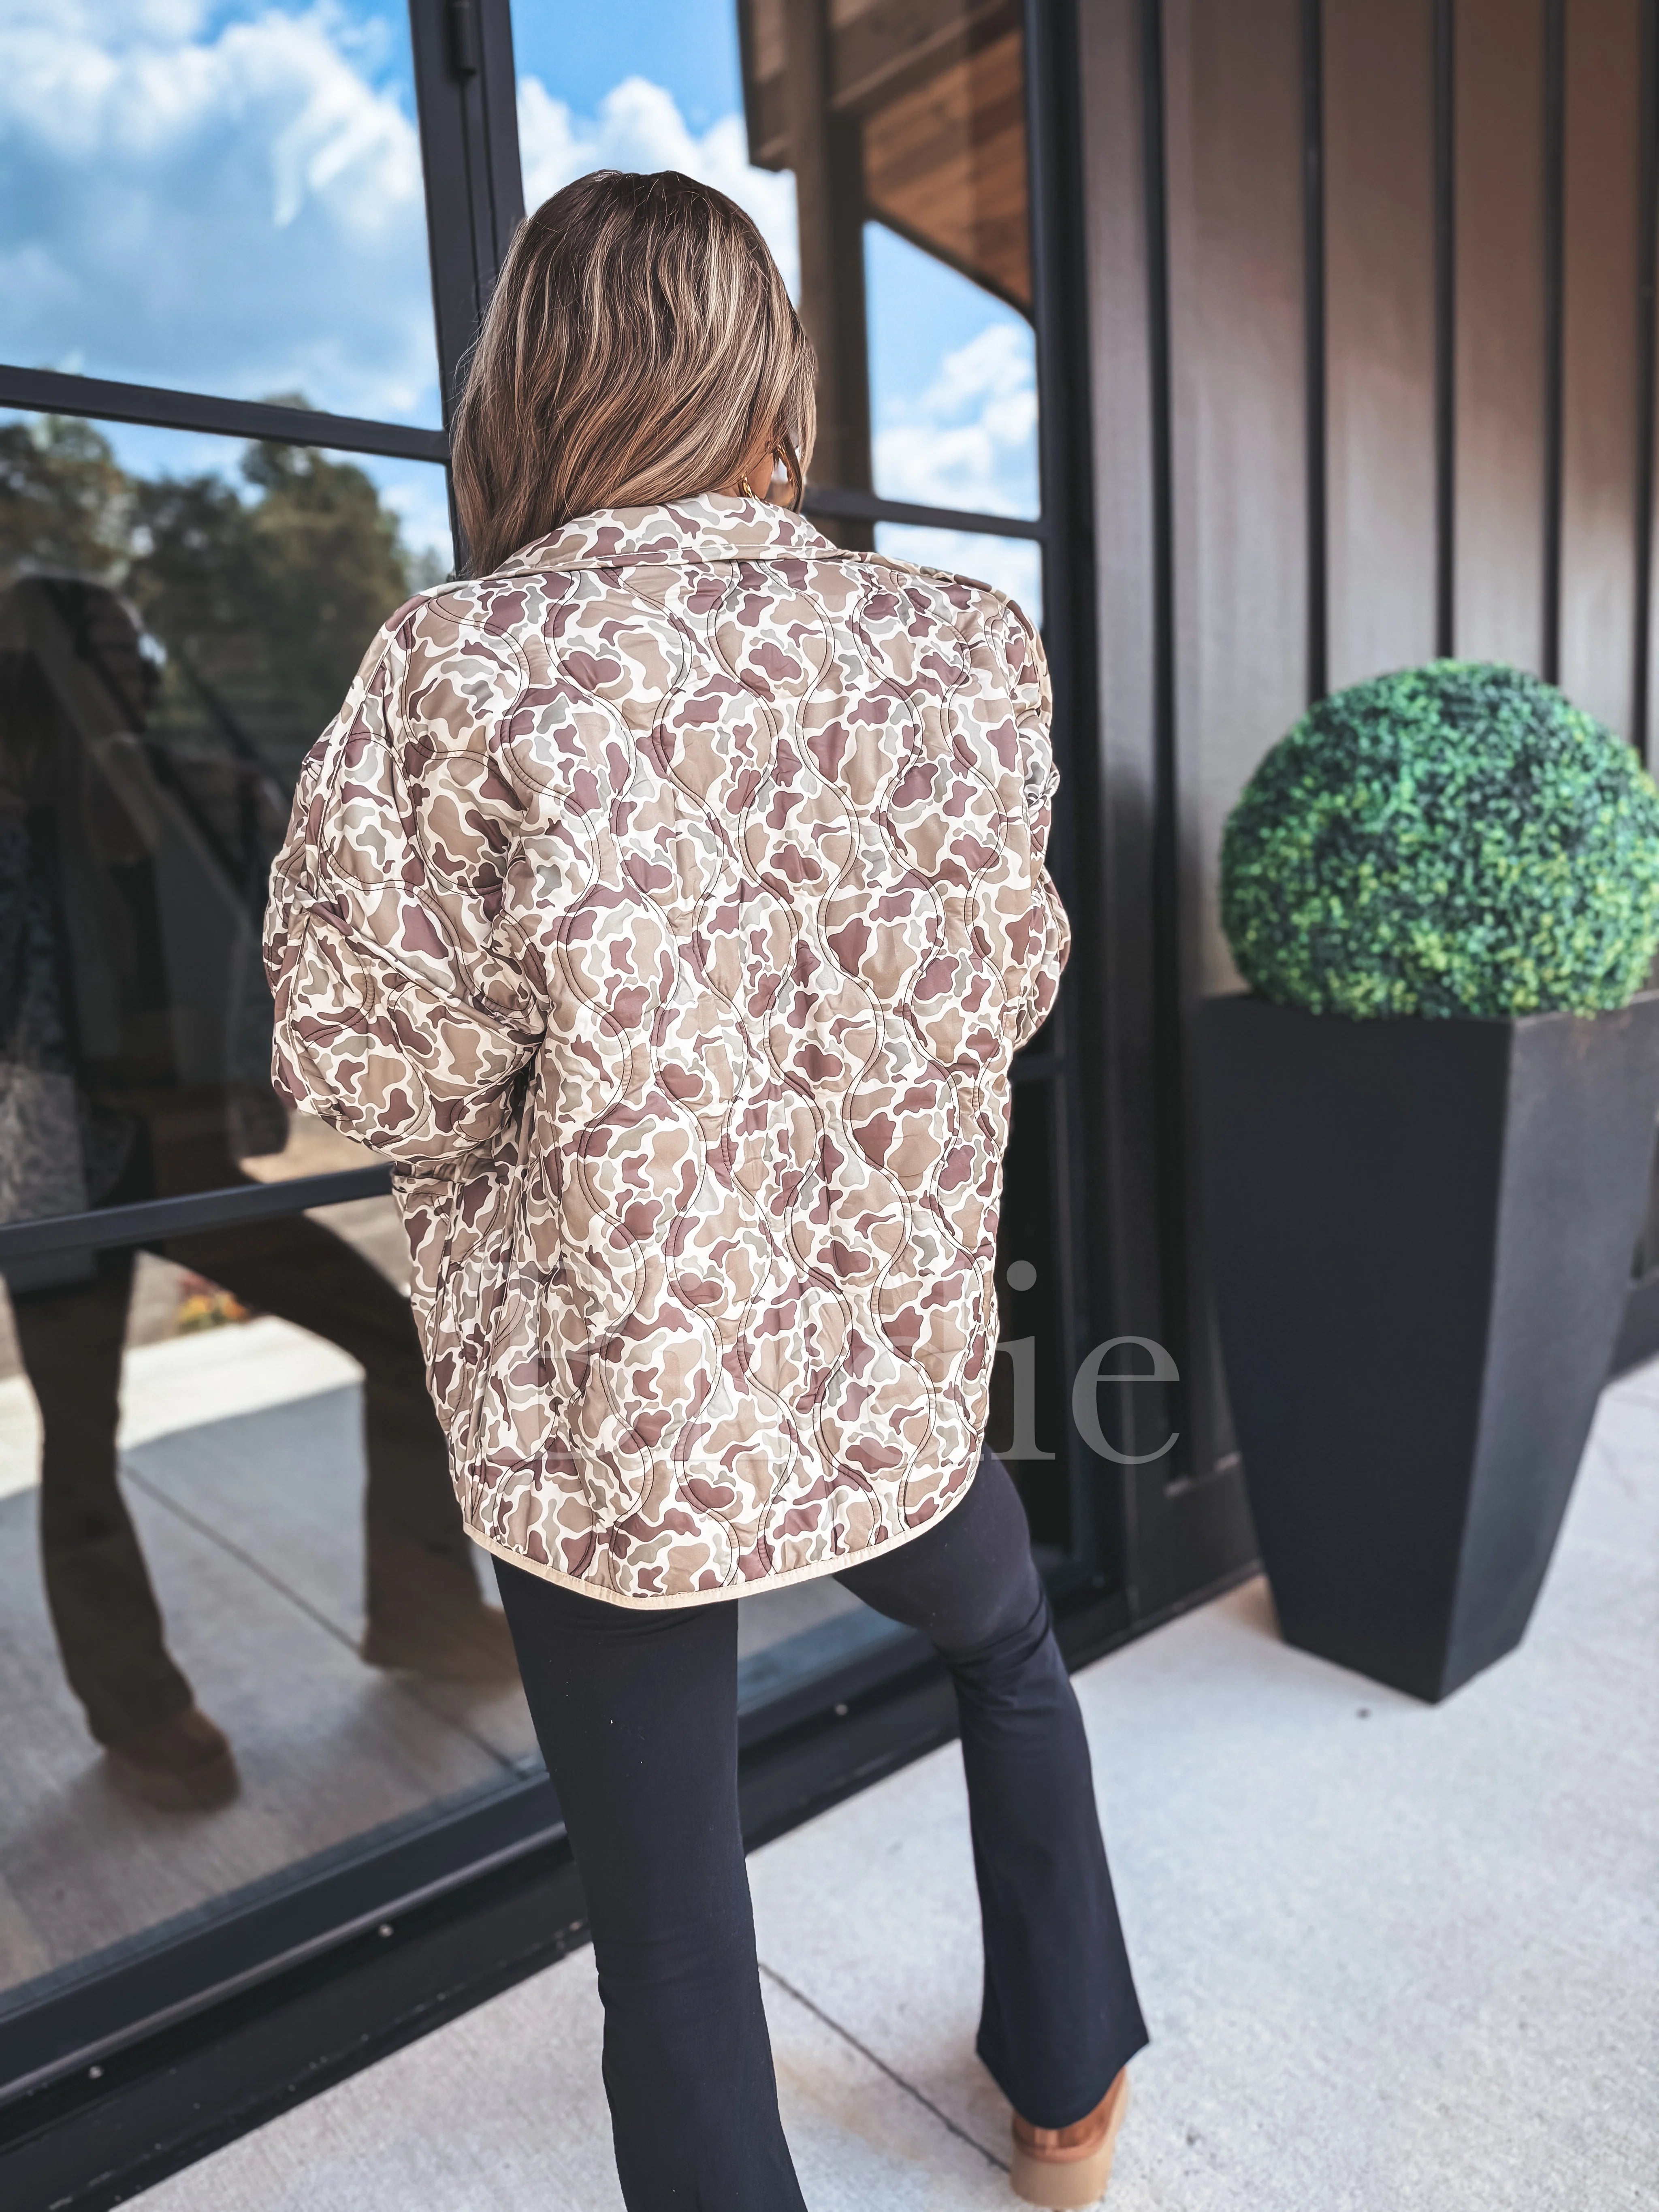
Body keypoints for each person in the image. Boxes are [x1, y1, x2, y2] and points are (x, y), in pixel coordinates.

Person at [264, 169, 1147, 2210]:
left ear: (532, 384)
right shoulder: (958, 648)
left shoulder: (459, 671)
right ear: (768, 381)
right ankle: (1068, 2086)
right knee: (1008, 1642)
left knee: (669, 1930)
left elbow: (368, 1065)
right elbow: (1007, 977)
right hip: (881, 1374)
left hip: (610, 1412)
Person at [0, 578, 514, 1814]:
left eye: (139, 646)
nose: (140, 668)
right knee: (80, 1440)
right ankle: (135, 1707)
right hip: (56, 1177)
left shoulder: (192, 792)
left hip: (182, 1152)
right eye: (110, 651)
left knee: (404, 1343)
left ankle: (424, 1611)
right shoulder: (14, 821)